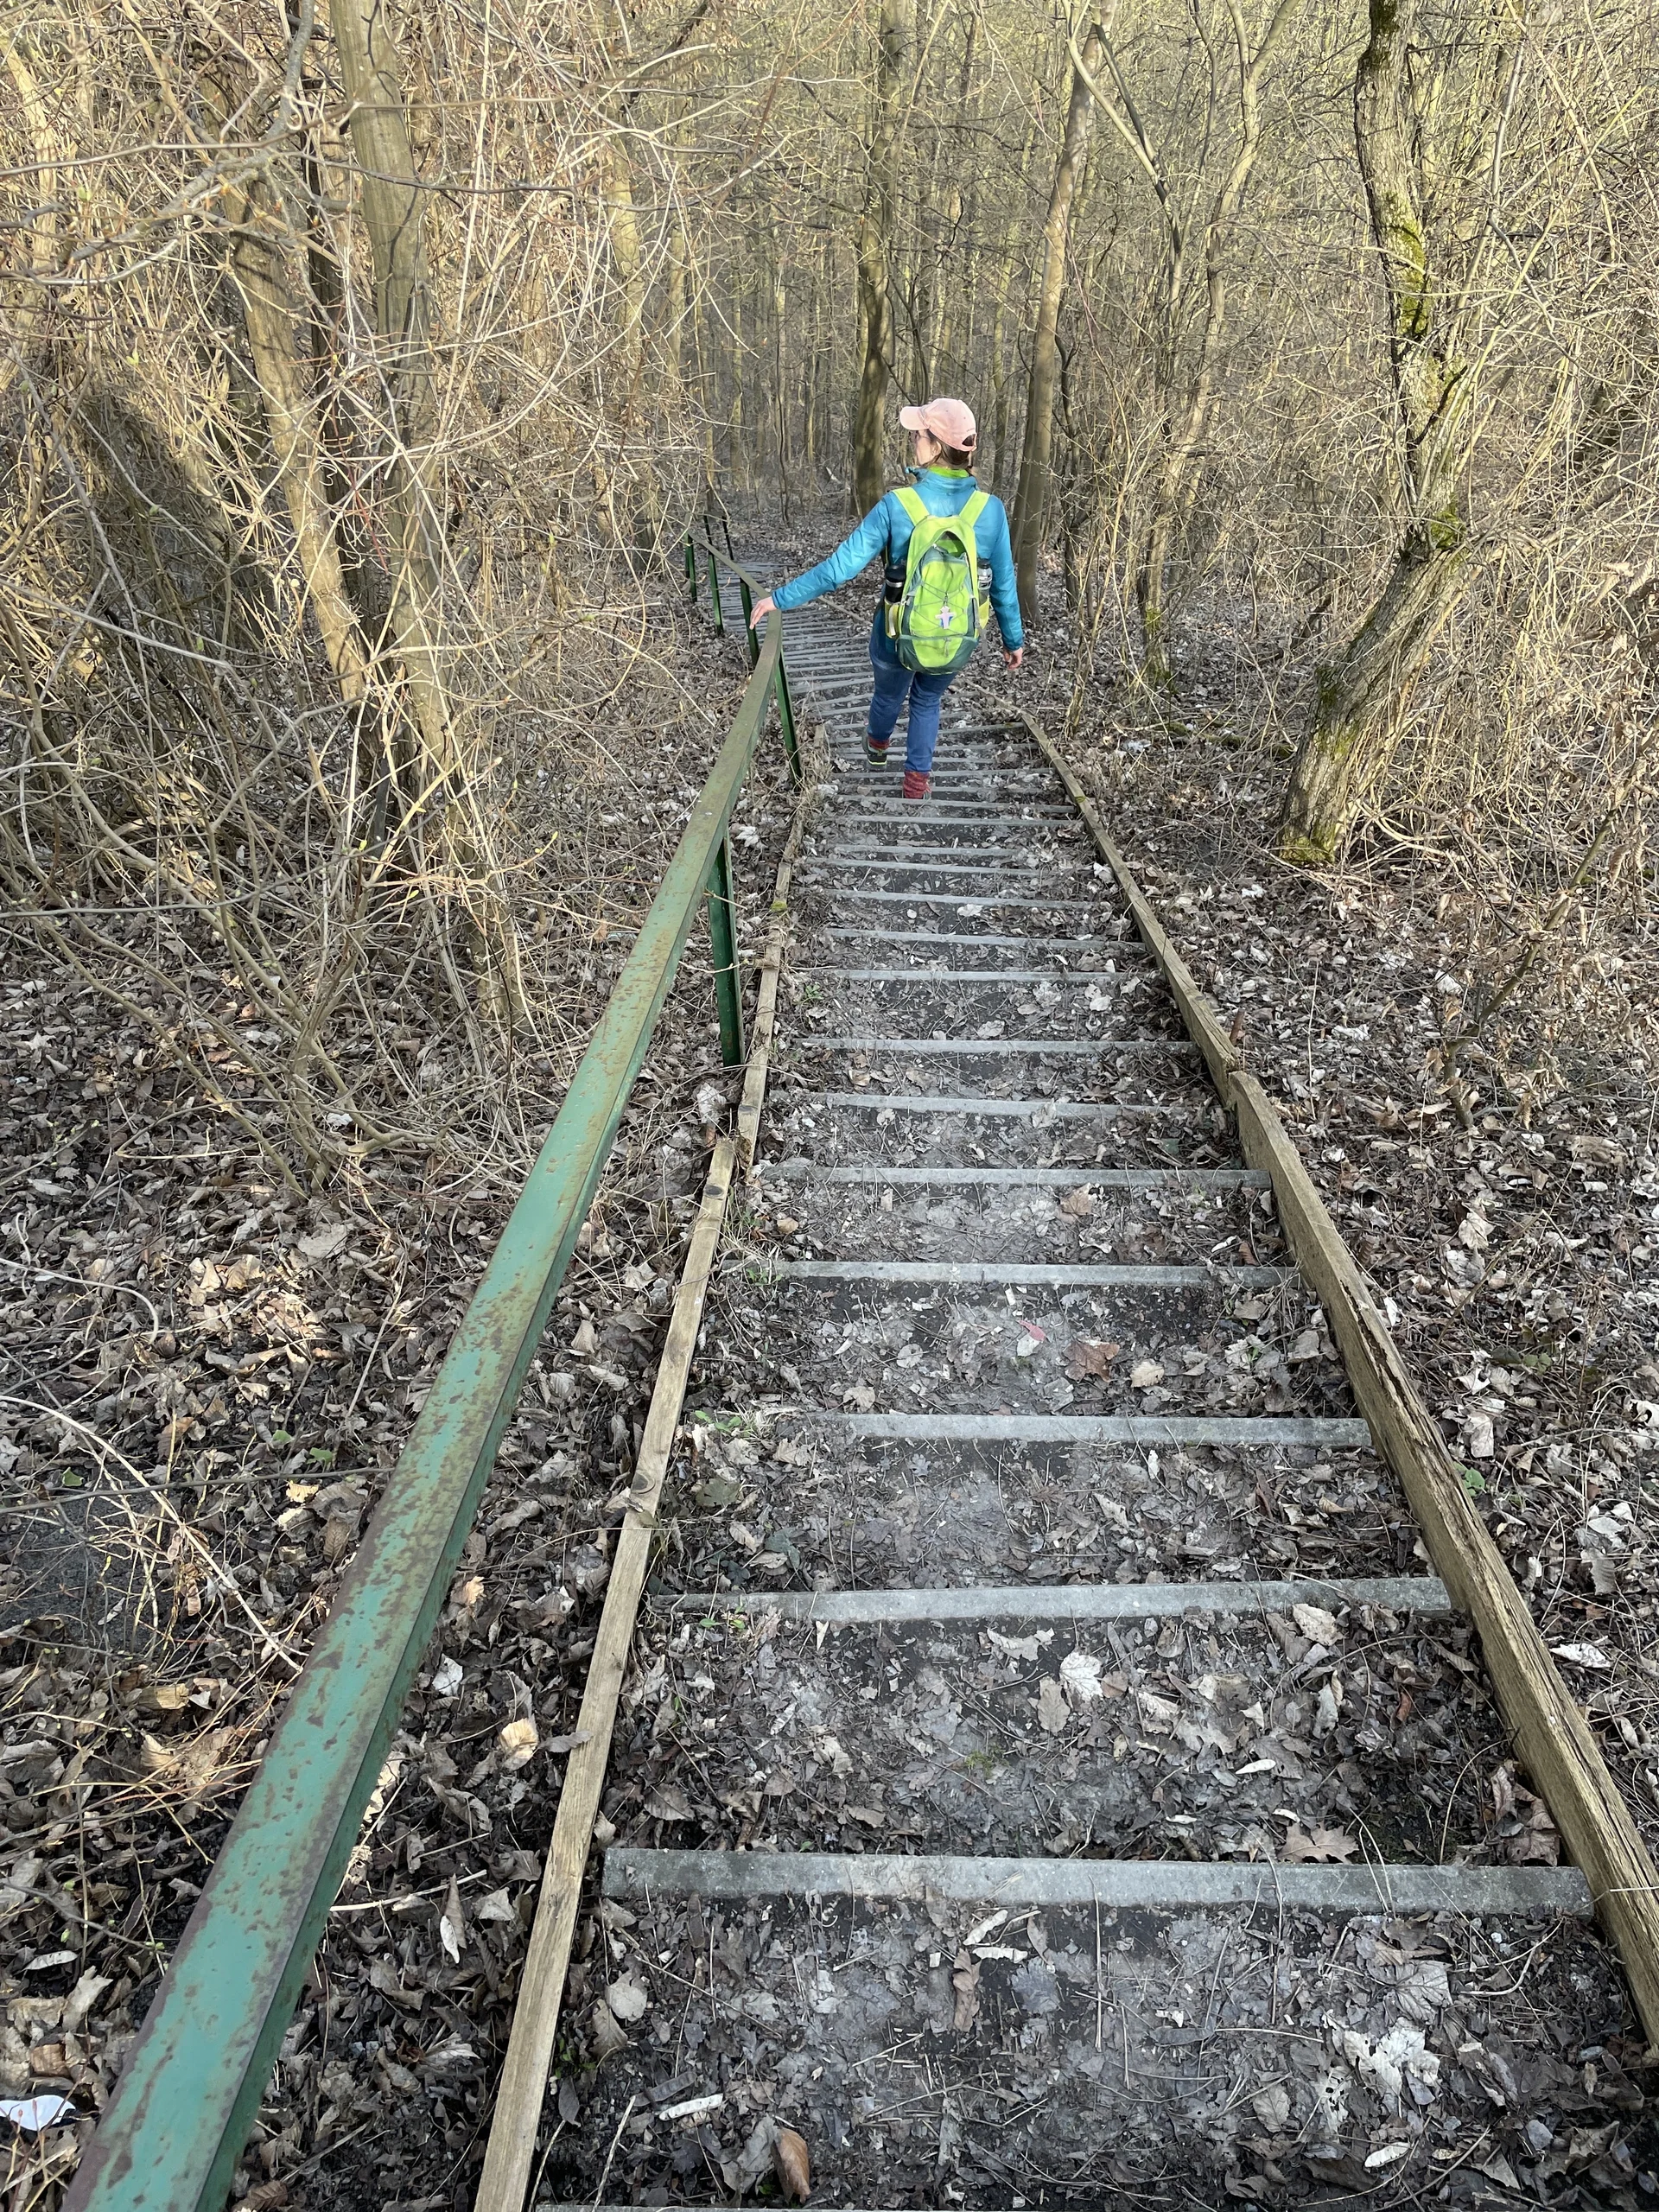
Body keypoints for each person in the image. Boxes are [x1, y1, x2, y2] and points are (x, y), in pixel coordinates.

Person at [748, 397, 1024, 800]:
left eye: (918, 435)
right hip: (956, 634)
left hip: (896, 634)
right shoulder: (991, 510)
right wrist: (1013, 641)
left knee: (889, 693)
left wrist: (779, 598)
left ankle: (877, 745)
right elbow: (1002, 585)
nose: (913, 440)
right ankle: (916, 783)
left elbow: (840, 569)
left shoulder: (898, 506)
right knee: (928, 699)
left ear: (934, 446)